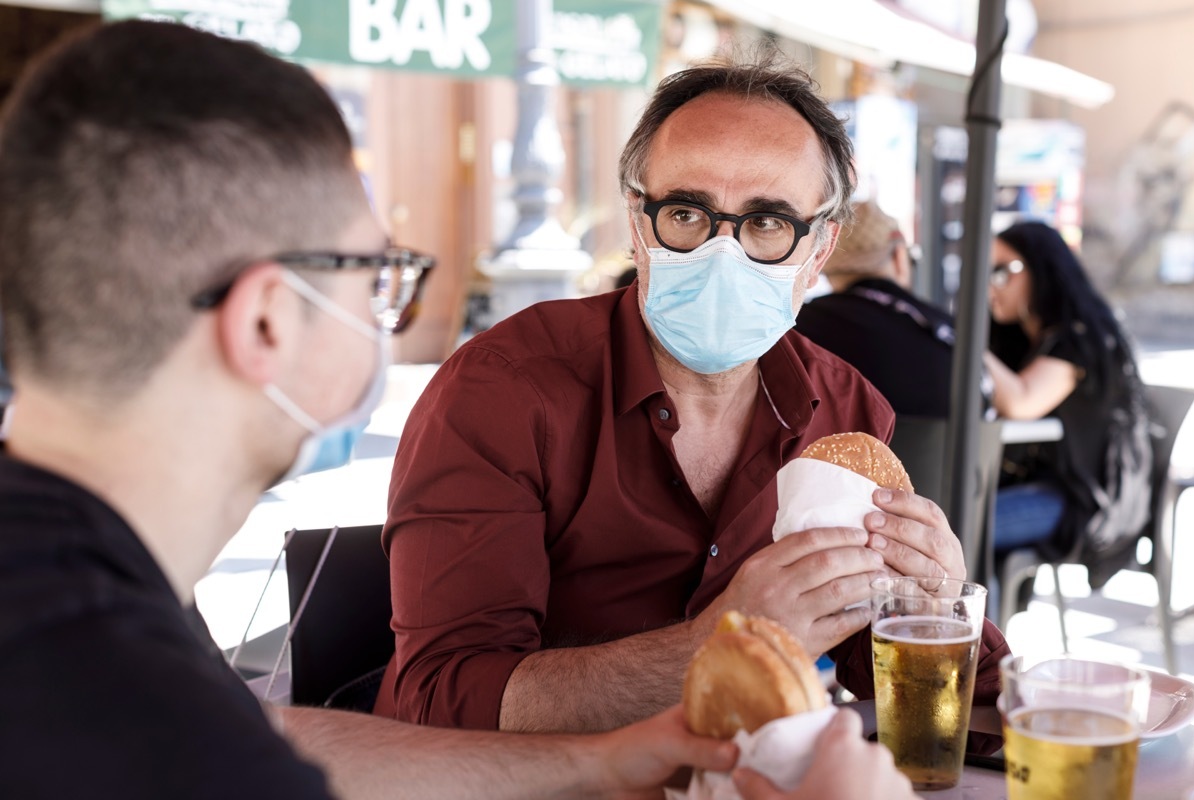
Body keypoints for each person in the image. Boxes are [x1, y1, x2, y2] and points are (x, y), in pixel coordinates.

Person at [0, 20, 754, 799]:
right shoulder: (120, 702)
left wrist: (596, 761)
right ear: (268, 319)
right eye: (375, 277)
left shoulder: (82, 603)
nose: (381, 315)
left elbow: (261, 728)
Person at [375, 48, 1010, 736]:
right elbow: (443, 704)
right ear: (637, 221)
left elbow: (895, 677)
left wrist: (934, 604)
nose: (722, 252)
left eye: (768, 222)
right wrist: (719, 643)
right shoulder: (504, 391)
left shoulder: (844, 410)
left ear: (821, 248)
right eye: (686, 213)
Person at [985, 221, 1151, 587]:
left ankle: (980, 642)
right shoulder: (1024, 344)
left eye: (1000, 272)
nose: (989, 286)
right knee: (950, 516)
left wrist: (964, 340)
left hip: (1082, 501)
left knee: (964, 523)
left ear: (1041, 270)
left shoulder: (1079, 340)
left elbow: (1020, 402)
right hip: (1040, 487)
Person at [794, 200, 958, 417]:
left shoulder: (798, 327)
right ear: (900, 256)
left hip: (834, 450)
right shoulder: (944, 330)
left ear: (823, 261)